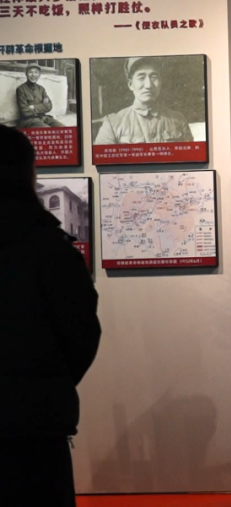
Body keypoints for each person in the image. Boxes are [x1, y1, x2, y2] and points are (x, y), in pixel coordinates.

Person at [0, 125, 101, 507]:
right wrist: (48, 382)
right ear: (27, 174)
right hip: (36, 420)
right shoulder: (50, 247)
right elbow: (81, 332)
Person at [94, 56, 194, 145]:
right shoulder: (113, 123)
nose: (148, 85)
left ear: (161, 82)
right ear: (130, 84)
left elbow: (189, 156)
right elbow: (104, 157)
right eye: (141, 78)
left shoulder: (178, 120)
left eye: (154, 77)